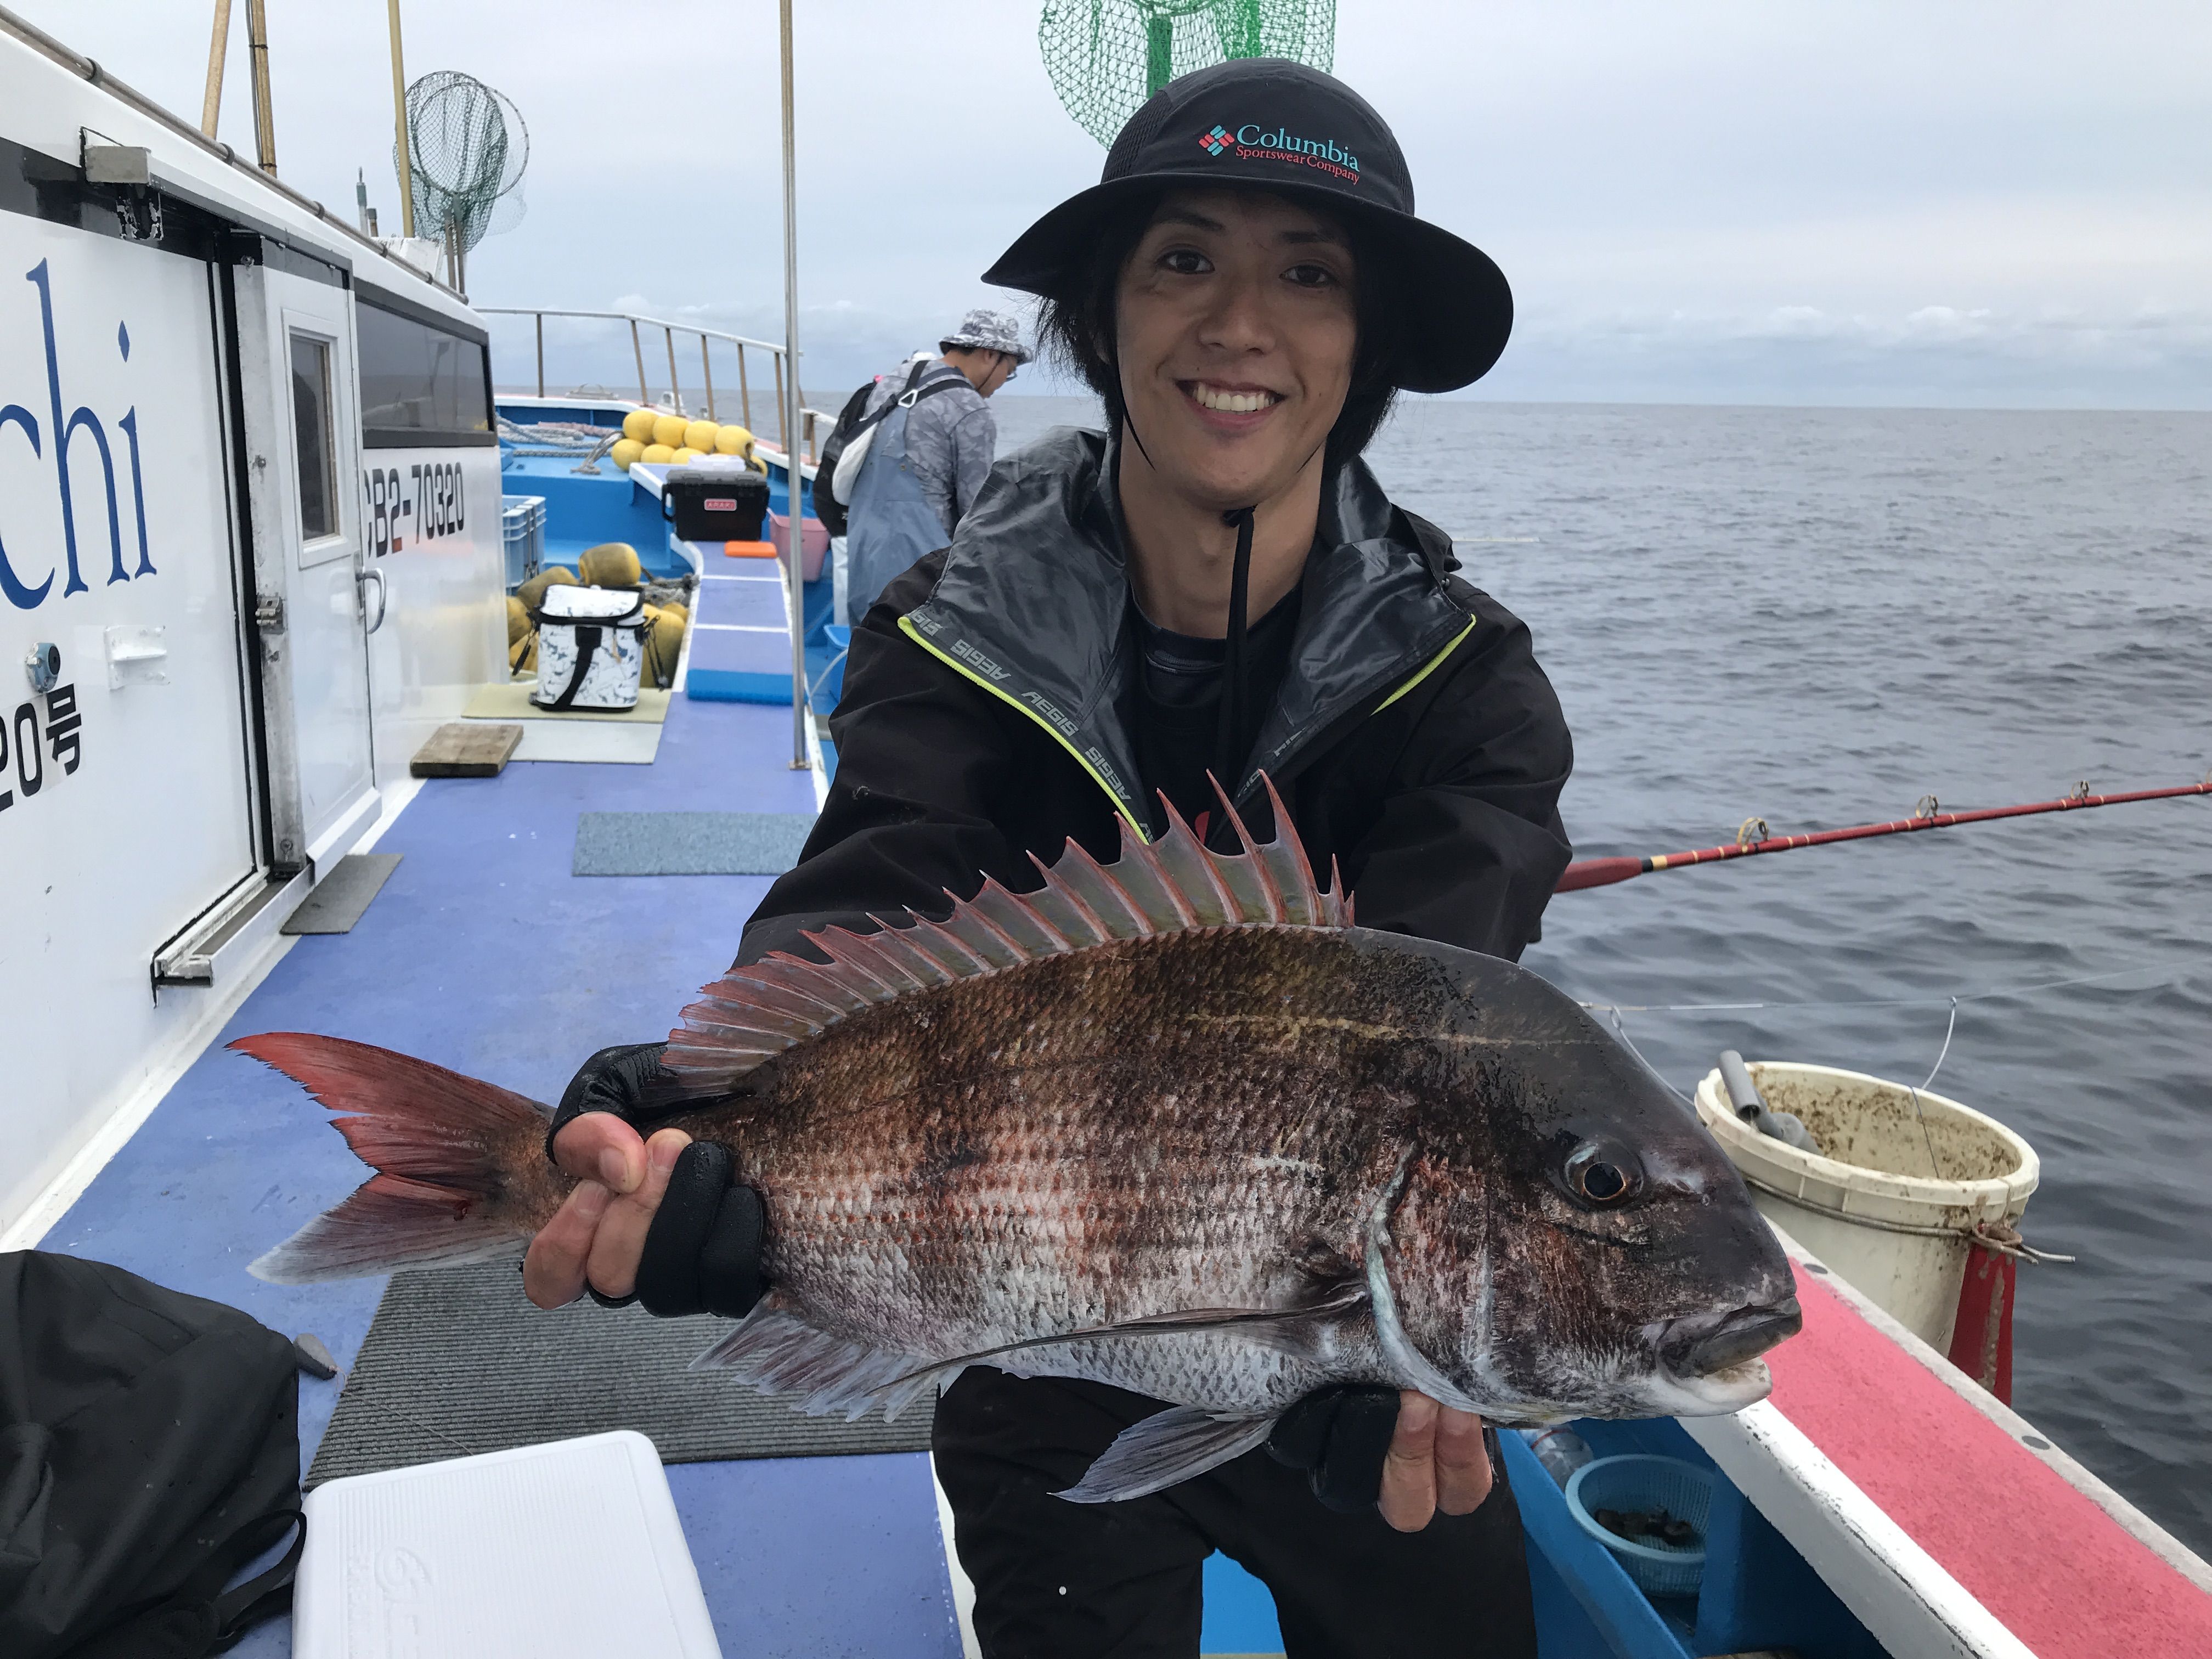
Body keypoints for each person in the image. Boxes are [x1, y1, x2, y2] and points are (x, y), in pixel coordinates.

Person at [525, 58, 1572, 1658]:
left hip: (1346, 1341)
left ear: (1367, 347)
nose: (1241, 323)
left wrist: (1390, 1336)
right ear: (1100, 316)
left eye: (1309, 275)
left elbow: (1438, 1024)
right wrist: (696, 1109)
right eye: (1184, 259)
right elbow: (885, 881)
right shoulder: (947, 633)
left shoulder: (1471, 688)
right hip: (1026, 1317)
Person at [842, 308, 1032, 626]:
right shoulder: (970, 409)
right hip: (919, 558)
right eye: (1008, 371)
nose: (1003, 382)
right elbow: (976, 510)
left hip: (864, 537)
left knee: (866, 632)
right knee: (908, 642)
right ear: (989, 354)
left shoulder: (895, 380)